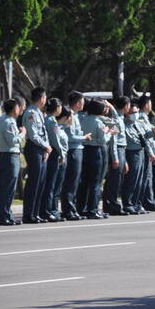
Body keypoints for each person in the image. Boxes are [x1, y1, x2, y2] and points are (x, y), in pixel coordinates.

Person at [0, 99, 26, 225]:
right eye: (18, 107)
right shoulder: (8, 122)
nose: (20, 109)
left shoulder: (2, 120)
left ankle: (3, 214)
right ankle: (3, 216)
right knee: (7, 188)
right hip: (9, 155)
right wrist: (22, 133)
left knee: (1, 187)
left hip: (1, 154)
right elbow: (13, 140)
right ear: (13, 109)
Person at [22, 87, 52, 224]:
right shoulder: (31, 113)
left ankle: (36, 213)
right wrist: (45, 146)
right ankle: (29, 214)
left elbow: (43, 133)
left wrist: (46, 149)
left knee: (40, 182)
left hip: (41, 149)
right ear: (41, 98)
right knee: (34, 182)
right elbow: (33, 134)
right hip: (34, 148)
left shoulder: (39, 112)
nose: (46, 99)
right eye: (45, 97)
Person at [60, 91, 91, 220]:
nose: (83, 104)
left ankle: (71, 209)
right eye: (82, 101)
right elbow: (71, 136)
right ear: (78, 103)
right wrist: (85, 137)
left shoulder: (76, 115)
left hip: (78, 150)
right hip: (73, 151)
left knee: (75, 182)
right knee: (71, 182)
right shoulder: (70, 115)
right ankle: (68, 210)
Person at [79, 99, 110, 219]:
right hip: (97, 151)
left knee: (85, 181)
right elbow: (103, 140)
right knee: (96, 182)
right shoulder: (99, 122)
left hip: (85, 150)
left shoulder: (83, 119)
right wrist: (109, 133)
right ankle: (93, 209)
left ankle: (82, 208)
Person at [40, 98, 67, 222]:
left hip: (49, 152)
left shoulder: (47, 120)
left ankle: (49, 210)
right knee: (50, 184)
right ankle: (48, 211)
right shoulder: (51, 121)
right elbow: (55, 140)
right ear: (57, 108)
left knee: (50, 184)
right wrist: (62, 153)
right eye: (60, 106)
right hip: (53, 153)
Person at [103, 96, 129, 216]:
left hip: (121, 149)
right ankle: (112, 205)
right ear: (125, 106)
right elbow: (114, 139)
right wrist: (115, 157)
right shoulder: (115, 117)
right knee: (114, 180)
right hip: (117, 149)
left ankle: (110, 204)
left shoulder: (120, 117)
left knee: (117, 179)